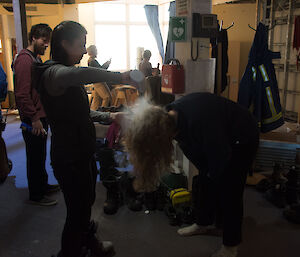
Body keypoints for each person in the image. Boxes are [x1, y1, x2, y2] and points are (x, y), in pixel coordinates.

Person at [33, 21, 136, 257]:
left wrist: (111, 117)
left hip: (82, 151)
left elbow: (82, 112)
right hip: (68, 157)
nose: (83, 50)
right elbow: (81, 73)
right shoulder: (53, 73)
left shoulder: (66, 75)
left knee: (85, 203)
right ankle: (69, 252)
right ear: (64, 44)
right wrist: (120, 75)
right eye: (80, 45)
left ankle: (87, 243)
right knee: (77, 212)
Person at [124, 93, 259, 257]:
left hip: (242, 137)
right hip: (219, 137)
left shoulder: (200, 122)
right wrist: (207, 174)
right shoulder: (169, 119)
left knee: (230, 190)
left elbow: (220, 157)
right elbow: (200, 159)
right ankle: (204, 223)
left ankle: (231, 245)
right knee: (204, 179)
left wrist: (214, 177)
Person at [13, 23, 59, 206]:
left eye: (48, 42)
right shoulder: (25, 60)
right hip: (33, 119)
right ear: (33, 38)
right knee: (34, 156)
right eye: (43, 41)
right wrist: (34, 118)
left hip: (39, 116)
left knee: (39, 155)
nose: (46, 45)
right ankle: (36, 195)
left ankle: (42, 185)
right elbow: (22, 94)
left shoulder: (35, 58)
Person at [87, 45, 112, 109]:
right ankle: (102, 112)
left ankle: (95, 115)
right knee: (107, 97)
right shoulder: (92, 61)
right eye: (96, 50)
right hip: (98, 82)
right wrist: (107, 63)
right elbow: (101, 70)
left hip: (96, 82)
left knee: (97, 101)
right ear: (93, 51)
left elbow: (100, 69)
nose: (97, 52)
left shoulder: (91, 61)